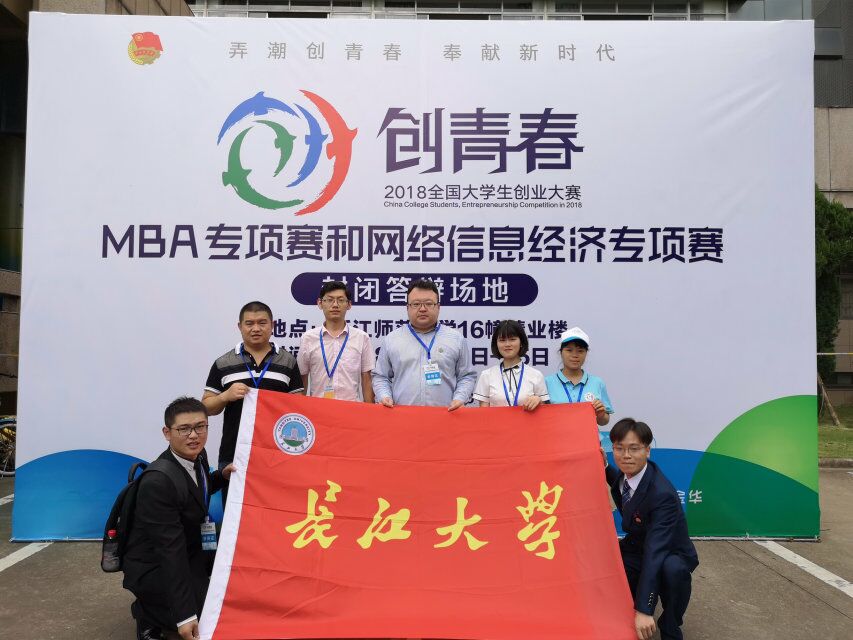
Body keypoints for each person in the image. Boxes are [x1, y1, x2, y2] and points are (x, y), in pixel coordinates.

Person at [122, 397, 235, 640]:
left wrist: (221, 476)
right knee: (206, 618)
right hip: (154, 563)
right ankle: (147, 613)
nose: (194, 435)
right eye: (184, 429)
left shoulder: (198, 455)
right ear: (167, 432)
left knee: (233, 577)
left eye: (200, 426)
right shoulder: (158, 482)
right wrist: (184, 616)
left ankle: (183, 597)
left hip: (191, 545)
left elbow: (196, 488)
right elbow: (169, 551)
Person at [605, 418, 698, 640]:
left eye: (634, 448)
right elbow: (618, 480)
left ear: (647, 450)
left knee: (672, 570)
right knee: (606, 562)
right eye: (619, 448)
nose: (626, 455)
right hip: (639, 545)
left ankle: (671, 625)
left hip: (669, 552)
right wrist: (604, 466)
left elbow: (655, 552)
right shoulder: (626, 476)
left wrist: (644, 609)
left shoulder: (662, 494)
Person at [202, 301, 303, 503]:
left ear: (272, 325)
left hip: (277, 453)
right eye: (249, 323)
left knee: (275, 509)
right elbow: (206, 407)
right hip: (234, 452)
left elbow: (299, 408)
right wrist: (225, 396)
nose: (256, 328)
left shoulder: (288, 361)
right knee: (234, 512)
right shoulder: (223, 363)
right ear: (239, 326)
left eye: (262, 323)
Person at [372, 278, 477, 410]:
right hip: (403, 416)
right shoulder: (392, 339)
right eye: (416, 304)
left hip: (445, 415)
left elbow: (466, 376)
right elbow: (381, 376)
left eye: (428, 303)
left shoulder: (456, 339)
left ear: (438, 307)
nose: (422, 309)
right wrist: (384, 396)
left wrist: (459, 399)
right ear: (407, 308)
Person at [297, 281, 375, 403]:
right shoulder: (308, 338)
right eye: (329, 300)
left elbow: (367, 379)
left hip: (351, 409)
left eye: (340, 300)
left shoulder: (361, 338)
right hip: (318, 408)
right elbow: (302, 378)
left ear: (349, 304)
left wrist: (370, 411)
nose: (335, 305)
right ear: (320, 303)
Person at [473, 320, 549, 410]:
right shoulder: (486, 375)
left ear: (521, 342)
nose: (507, 344)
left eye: (512, 339)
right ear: (496, 344)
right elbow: (484, 413)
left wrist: (538, 400)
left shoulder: (536, 375)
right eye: (502, 340)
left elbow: (544, 413)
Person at [545, 326, 613, 426]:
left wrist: (601, 414)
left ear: (586, 353)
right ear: (561, 352)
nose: (575, 355)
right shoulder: (547, 382)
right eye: (569, 350)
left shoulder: (597, 382)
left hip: (589, 436)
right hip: (557, 435)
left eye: (580, 351)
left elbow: (604, 421)